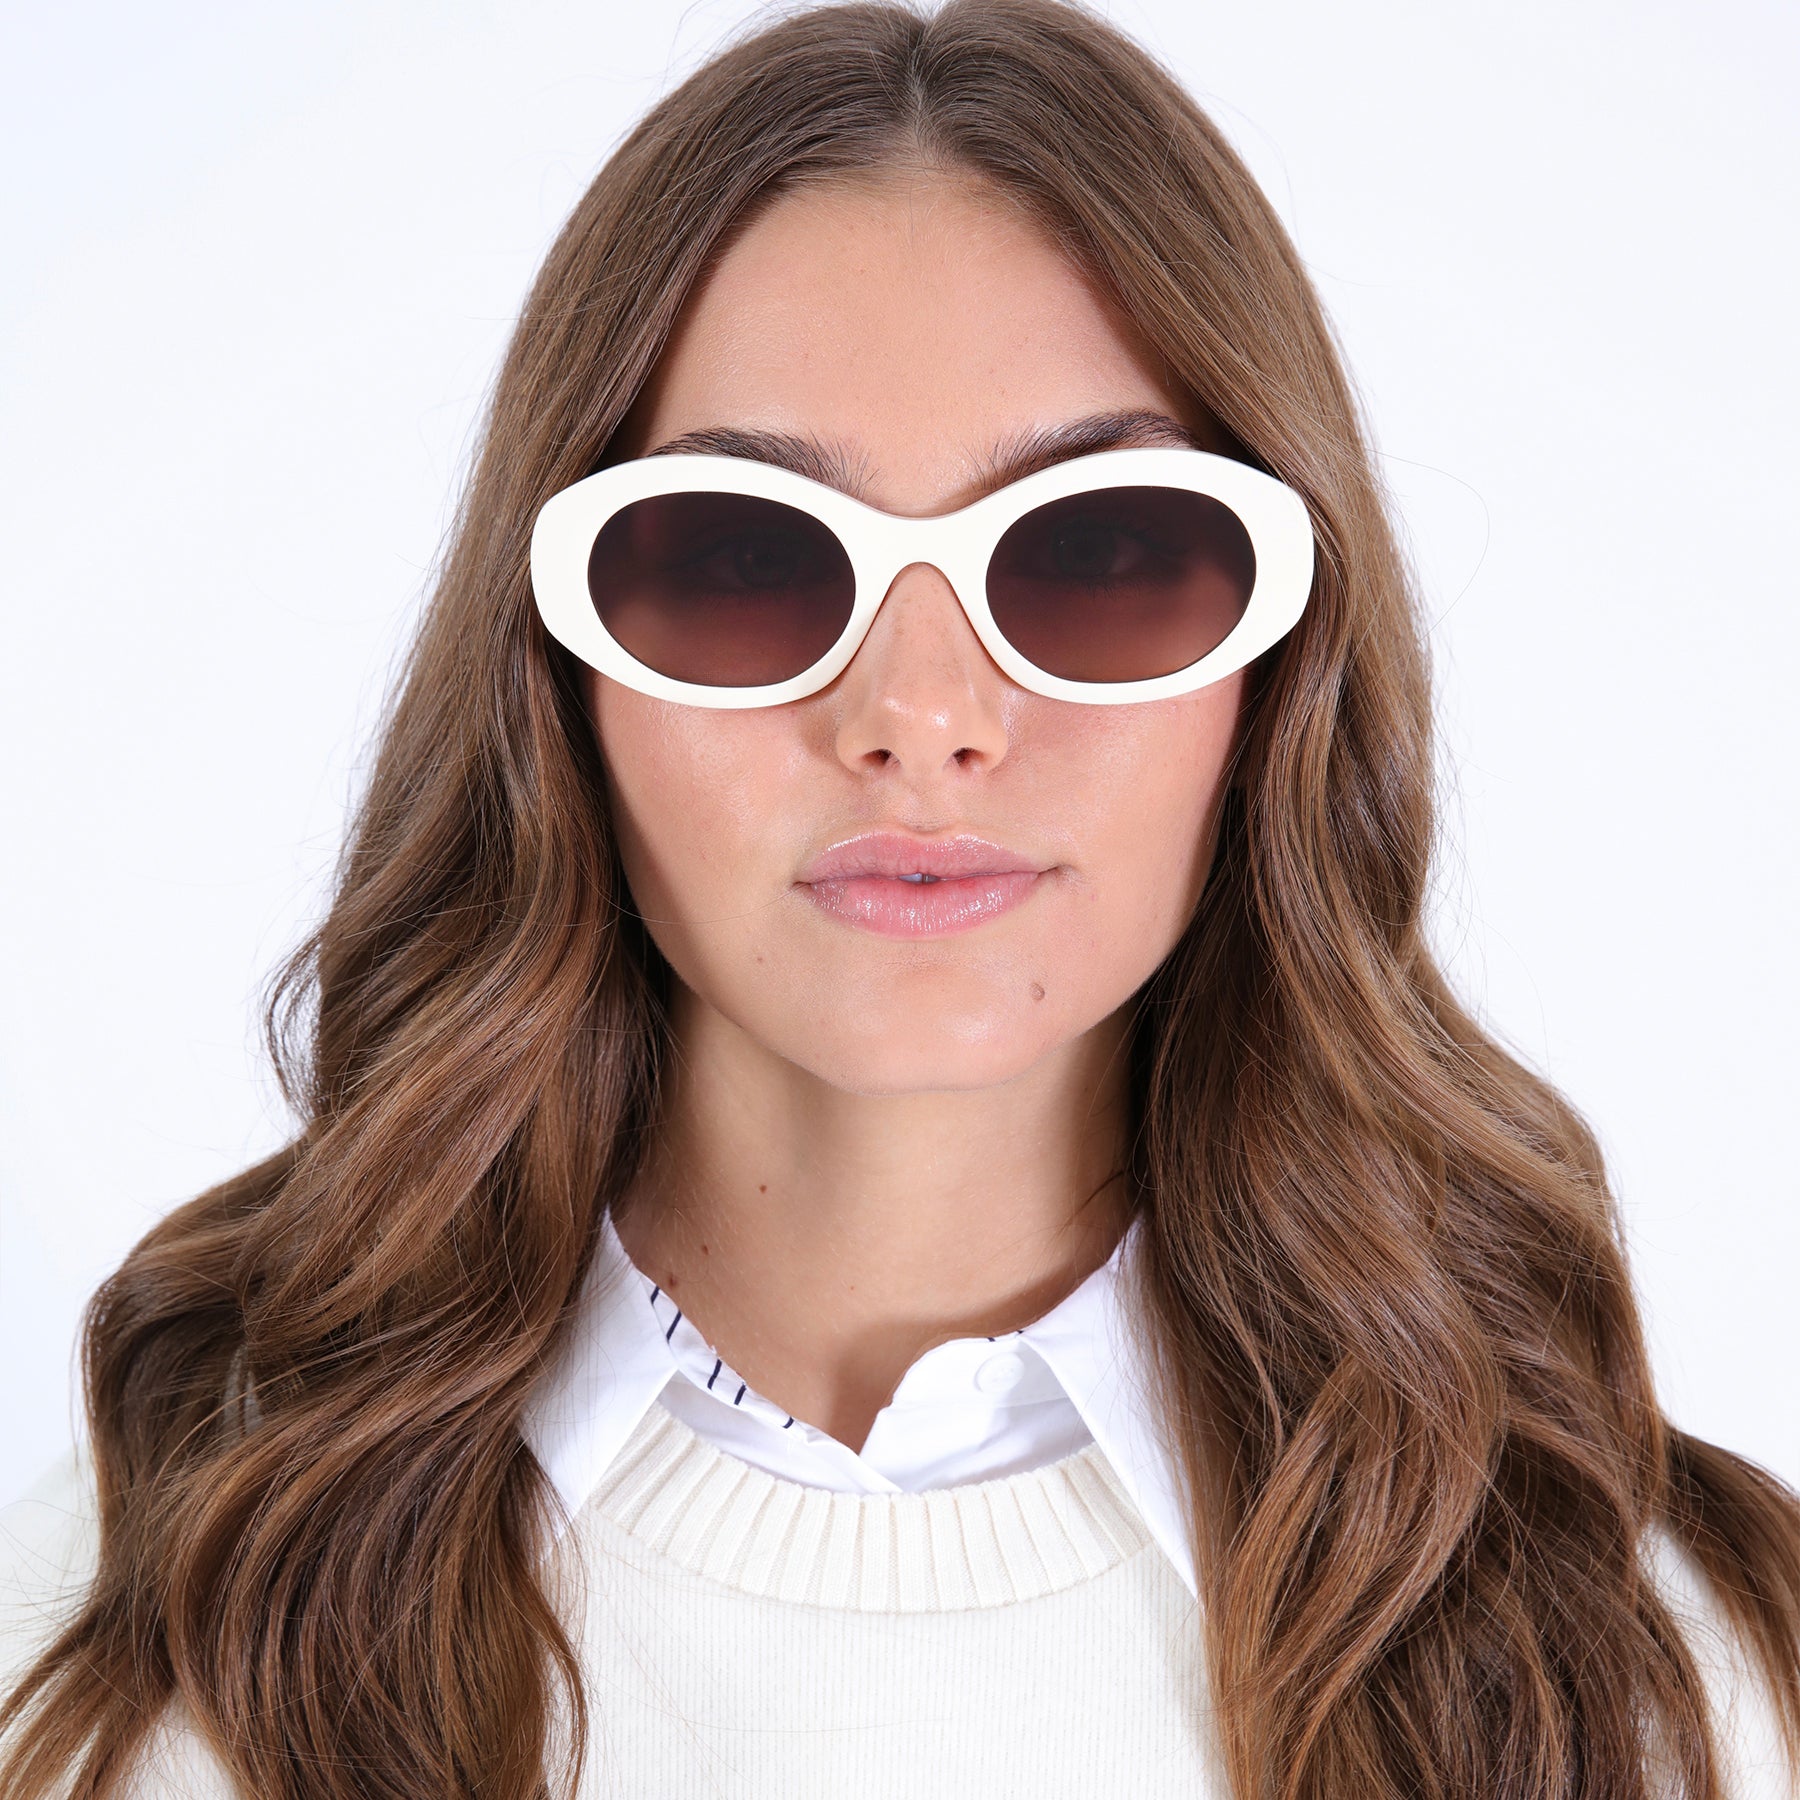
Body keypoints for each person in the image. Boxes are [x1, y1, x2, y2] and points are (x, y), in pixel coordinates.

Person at [3, 2, 1796, 1795]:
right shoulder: (117, 1637)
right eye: (742, 558)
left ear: (1279, 673)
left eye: (1098, 551)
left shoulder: (1671, 1676)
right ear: (560, 676)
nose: (920, 717)